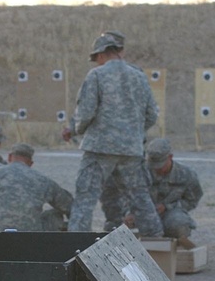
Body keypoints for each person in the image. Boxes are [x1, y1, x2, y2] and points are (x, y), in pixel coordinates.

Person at [62, 33, 162, 235]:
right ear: (119, 51)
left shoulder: (96, 75)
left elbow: (86, 112)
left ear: (100, 55)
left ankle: (74, 246)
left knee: (85, 199)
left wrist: (75, 130)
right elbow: (152, 114)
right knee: (140, 198)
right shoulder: (139, 76)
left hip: (99, 148)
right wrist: (133, 133)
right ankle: (158, 244)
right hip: (132, 150)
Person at [0, 143, 72, 231]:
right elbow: (69, 205)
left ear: (10, 157)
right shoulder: (42, 180)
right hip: (30, 236)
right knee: (55, 215)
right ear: (31, 163)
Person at [124, 138, 203, 246]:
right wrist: (130, 213)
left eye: (160, 165)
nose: (157, 169)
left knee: (178, 223)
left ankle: (174, 247)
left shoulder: (186, 175)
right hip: (143, 213)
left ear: (170, 157)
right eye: (153, 165)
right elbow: (126, 195)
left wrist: (167, 207)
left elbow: (192, 201)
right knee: (121, 226)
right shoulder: (141, 173)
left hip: (170, 213)